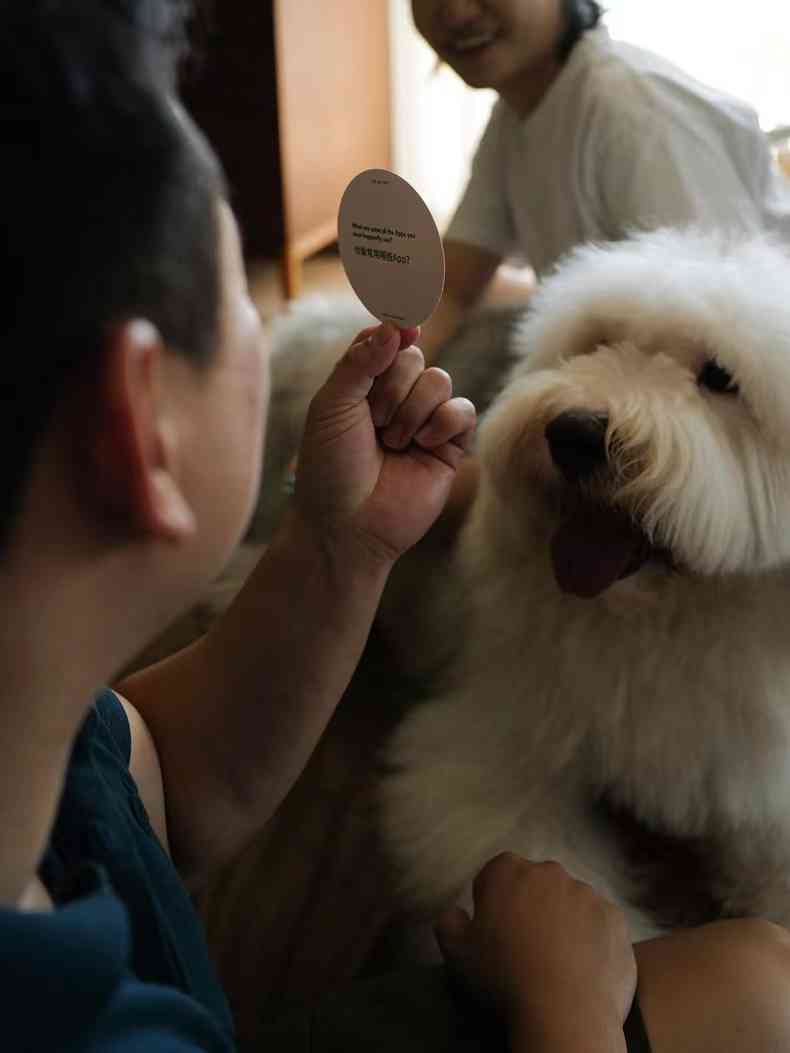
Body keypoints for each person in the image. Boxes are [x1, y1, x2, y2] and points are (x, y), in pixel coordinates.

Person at [2, 3, 790, 1052]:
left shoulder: (68, 748)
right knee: (760, 988)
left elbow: (163, 772)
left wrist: (340, 544)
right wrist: (567, 1003)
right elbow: (461, 285)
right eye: (240, 304)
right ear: (136, 423)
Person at [411, 0, 790, 363]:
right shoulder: (515, 115)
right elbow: (451, 288)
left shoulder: (637, 111)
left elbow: (710, 343)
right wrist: (386, 368)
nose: (456, 11)